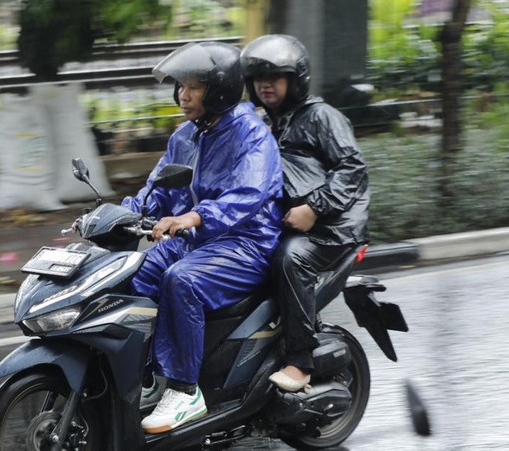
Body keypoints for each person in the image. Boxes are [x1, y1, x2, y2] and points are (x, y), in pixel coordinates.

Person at [121, 41, 283, 433]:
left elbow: (246, 195)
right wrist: (120, 214)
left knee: (182, 281)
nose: (183, 94)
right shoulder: (185, 137)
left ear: (220, 90)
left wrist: (193, 217)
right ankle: (149, 376)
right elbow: (157, 189)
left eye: (194, 87)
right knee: (133, 275)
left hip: (246, 243)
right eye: (181, 86)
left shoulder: (251, 135)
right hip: (198, 241)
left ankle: (184, 390)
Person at [240, 35, 371, 392]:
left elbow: (352, 169)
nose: (265, 85)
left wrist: (315, 208)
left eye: (275, 77)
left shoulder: (320, 116)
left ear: (295, 79)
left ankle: (299, 361)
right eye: (258, 78)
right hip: (292, 222)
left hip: (333, 226)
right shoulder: (266, 122)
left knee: (289, 260)